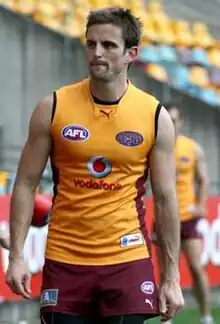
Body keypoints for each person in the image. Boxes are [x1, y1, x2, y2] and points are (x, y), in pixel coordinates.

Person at [6, 8, 184, 324]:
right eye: (91, 44)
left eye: (108, 45)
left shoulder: (154, 116)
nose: (96, 52)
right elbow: (24, 183)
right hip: (65, 260)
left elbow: (168, 200)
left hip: (127, 261)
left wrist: (171, 278)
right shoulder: (53, 107)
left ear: (132, 53)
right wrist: (17, 257)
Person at [153, 103, 213, 324]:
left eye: (175, 120)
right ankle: (166, 319)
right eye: (167, 119)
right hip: (163, 217)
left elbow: (203, 179)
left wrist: (200, 205)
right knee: (165, 271)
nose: (172, 124)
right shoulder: (154, 146)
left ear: (181, 122)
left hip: (187, 217)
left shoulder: (192, 148)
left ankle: (205, 314)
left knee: (197, 268)